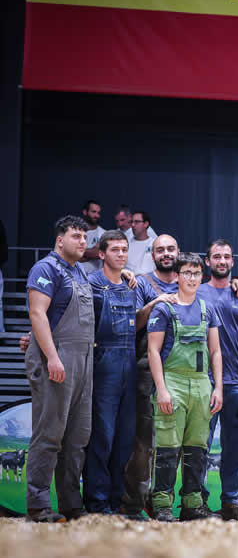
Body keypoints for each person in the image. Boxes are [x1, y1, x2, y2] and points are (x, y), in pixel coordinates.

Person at [24, 215, 94, 522]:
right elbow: (38, 313)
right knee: (49, 433)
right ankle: (38, 505)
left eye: (85, 237)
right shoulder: (45, 268)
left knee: (77, 437)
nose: (82, 241)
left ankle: (70, 503)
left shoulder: (80, 271)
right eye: (76, 236)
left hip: (83, 363)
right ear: (60, 240)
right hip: (57, 358)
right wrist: (52, 357)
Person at [146, 252, 224, 521]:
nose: (192, 278)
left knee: (197, 447)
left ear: (202, 277)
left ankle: (192, 504)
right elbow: (153, 351)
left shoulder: (208, 309)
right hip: (173, 381)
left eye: (196, 273)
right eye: (187, 273)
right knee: (168, 447)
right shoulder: (163, 308)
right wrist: (162, 389)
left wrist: (218, 387)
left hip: (202, 384)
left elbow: (215, 352)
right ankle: (161, 504)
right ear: (177, 276)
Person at [122, 233, 181, 518]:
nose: (166, 253)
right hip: (147, 370)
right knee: (143, 442)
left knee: (173, 445)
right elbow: (131, 324)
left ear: (178, 252)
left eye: (171, 249)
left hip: (181, 373)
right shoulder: (141, 282)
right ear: (152, 253)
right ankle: (133, 502)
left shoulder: (189, 282)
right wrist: (156, 302)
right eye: (161, 250)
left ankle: (162, 503)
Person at [83, 230, 140, 515]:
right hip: (103, 362)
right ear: (102, 254)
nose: (120, 254)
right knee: (102, 436)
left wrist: (154, 303)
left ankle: (116, 502)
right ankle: (96, 501)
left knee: (125, 438)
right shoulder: (90, 282)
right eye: (115, 249)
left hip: (130, 364)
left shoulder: (134, 285)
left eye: (124, 249)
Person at [197, 239, 238, 519]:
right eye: (216, 256)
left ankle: (231, 502)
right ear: (207, 261)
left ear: (232, 262)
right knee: (200, 446)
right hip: (201, 380)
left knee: (234, 447)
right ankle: (198, 501)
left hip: (235, 381)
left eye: (226, 257)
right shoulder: (195, 290)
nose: (221, 261)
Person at [124, 210, 156, 275]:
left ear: (146, 224)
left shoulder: (155, 244)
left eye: (136, 222)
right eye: (131, 222)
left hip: (150, 283)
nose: (132, 225)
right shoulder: (125, 245)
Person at [78, 200, 105, 274]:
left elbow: (98, 254)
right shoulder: (75, 232)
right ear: (85, 212)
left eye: (98, 213)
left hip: (96, 279)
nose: (96, 215)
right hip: (76, 277)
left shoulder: (104, 233)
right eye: (93, 212)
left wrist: (79, 251)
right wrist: (92, 251)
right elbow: (69, 254)